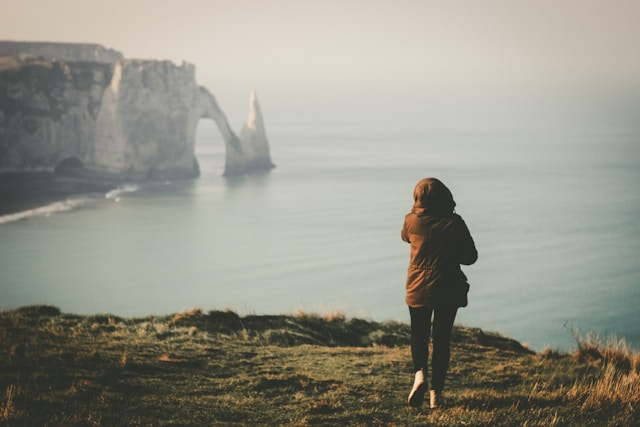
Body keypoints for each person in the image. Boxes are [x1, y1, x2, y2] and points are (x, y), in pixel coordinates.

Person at [401, 178, 478, 408]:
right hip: (446, 286)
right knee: (441, 339)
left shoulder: (410, 221)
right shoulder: (454, 223)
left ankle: (419, 376)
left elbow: (406, 238)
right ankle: (436, 395)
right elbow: (471, 257)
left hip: (417, 287)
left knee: (418, 334)